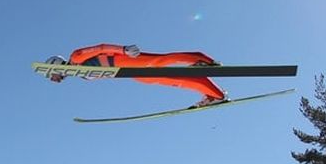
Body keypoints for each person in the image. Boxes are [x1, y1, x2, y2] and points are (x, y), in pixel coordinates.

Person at [44, 43, 226, 107]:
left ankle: (203, 59)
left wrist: (123, 50)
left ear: (55, 65)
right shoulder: (80, 74)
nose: (53, 79)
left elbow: (100, 48)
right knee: (164, 79)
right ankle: (214, 94)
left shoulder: (75, 57)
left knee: (158, 61)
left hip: (122, 60)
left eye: (51, 74)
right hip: (126, 71)